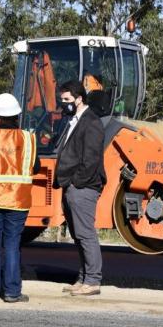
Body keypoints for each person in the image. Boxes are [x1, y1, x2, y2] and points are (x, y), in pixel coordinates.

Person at [0, 93, 39, 303]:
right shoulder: (29, 139)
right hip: (18, 199)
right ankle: (12, 291)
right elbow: (36, 166)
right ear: (17, 115)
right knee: (12, 244)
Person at [54, 80, 105, 296]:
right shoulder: (74, 120)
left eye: (66, 100)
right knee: (77, 234)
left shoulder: (91, 122)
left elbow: (91, 160)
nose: (63, 104)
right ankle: (83, 277)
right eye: (61, 100)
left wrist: (77, 182)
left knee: (85, 233)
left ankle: (93, 280)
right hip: (71, 185)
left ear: (79, 98)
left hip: (82, 187)